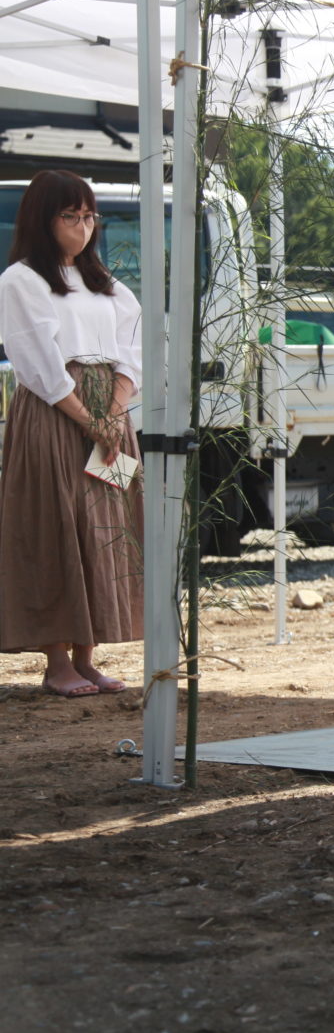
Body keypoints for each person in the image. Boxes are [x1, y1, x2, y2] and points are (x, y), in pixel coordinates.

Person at [0, 170, 144, 698]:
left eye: (90, 217)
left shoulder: (107, 284)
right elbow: (37, 364)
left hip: (111, 411)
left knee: (105, 525)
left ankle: (88, 656)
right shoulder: (22, 279)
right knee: (56, 524)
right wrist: (91, 418)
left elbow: (134, 350)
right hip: (58, 413)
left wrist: (116, 411)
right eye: (71, 217)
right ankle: (56, 659)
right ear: (44, 219)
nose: (83, 229)